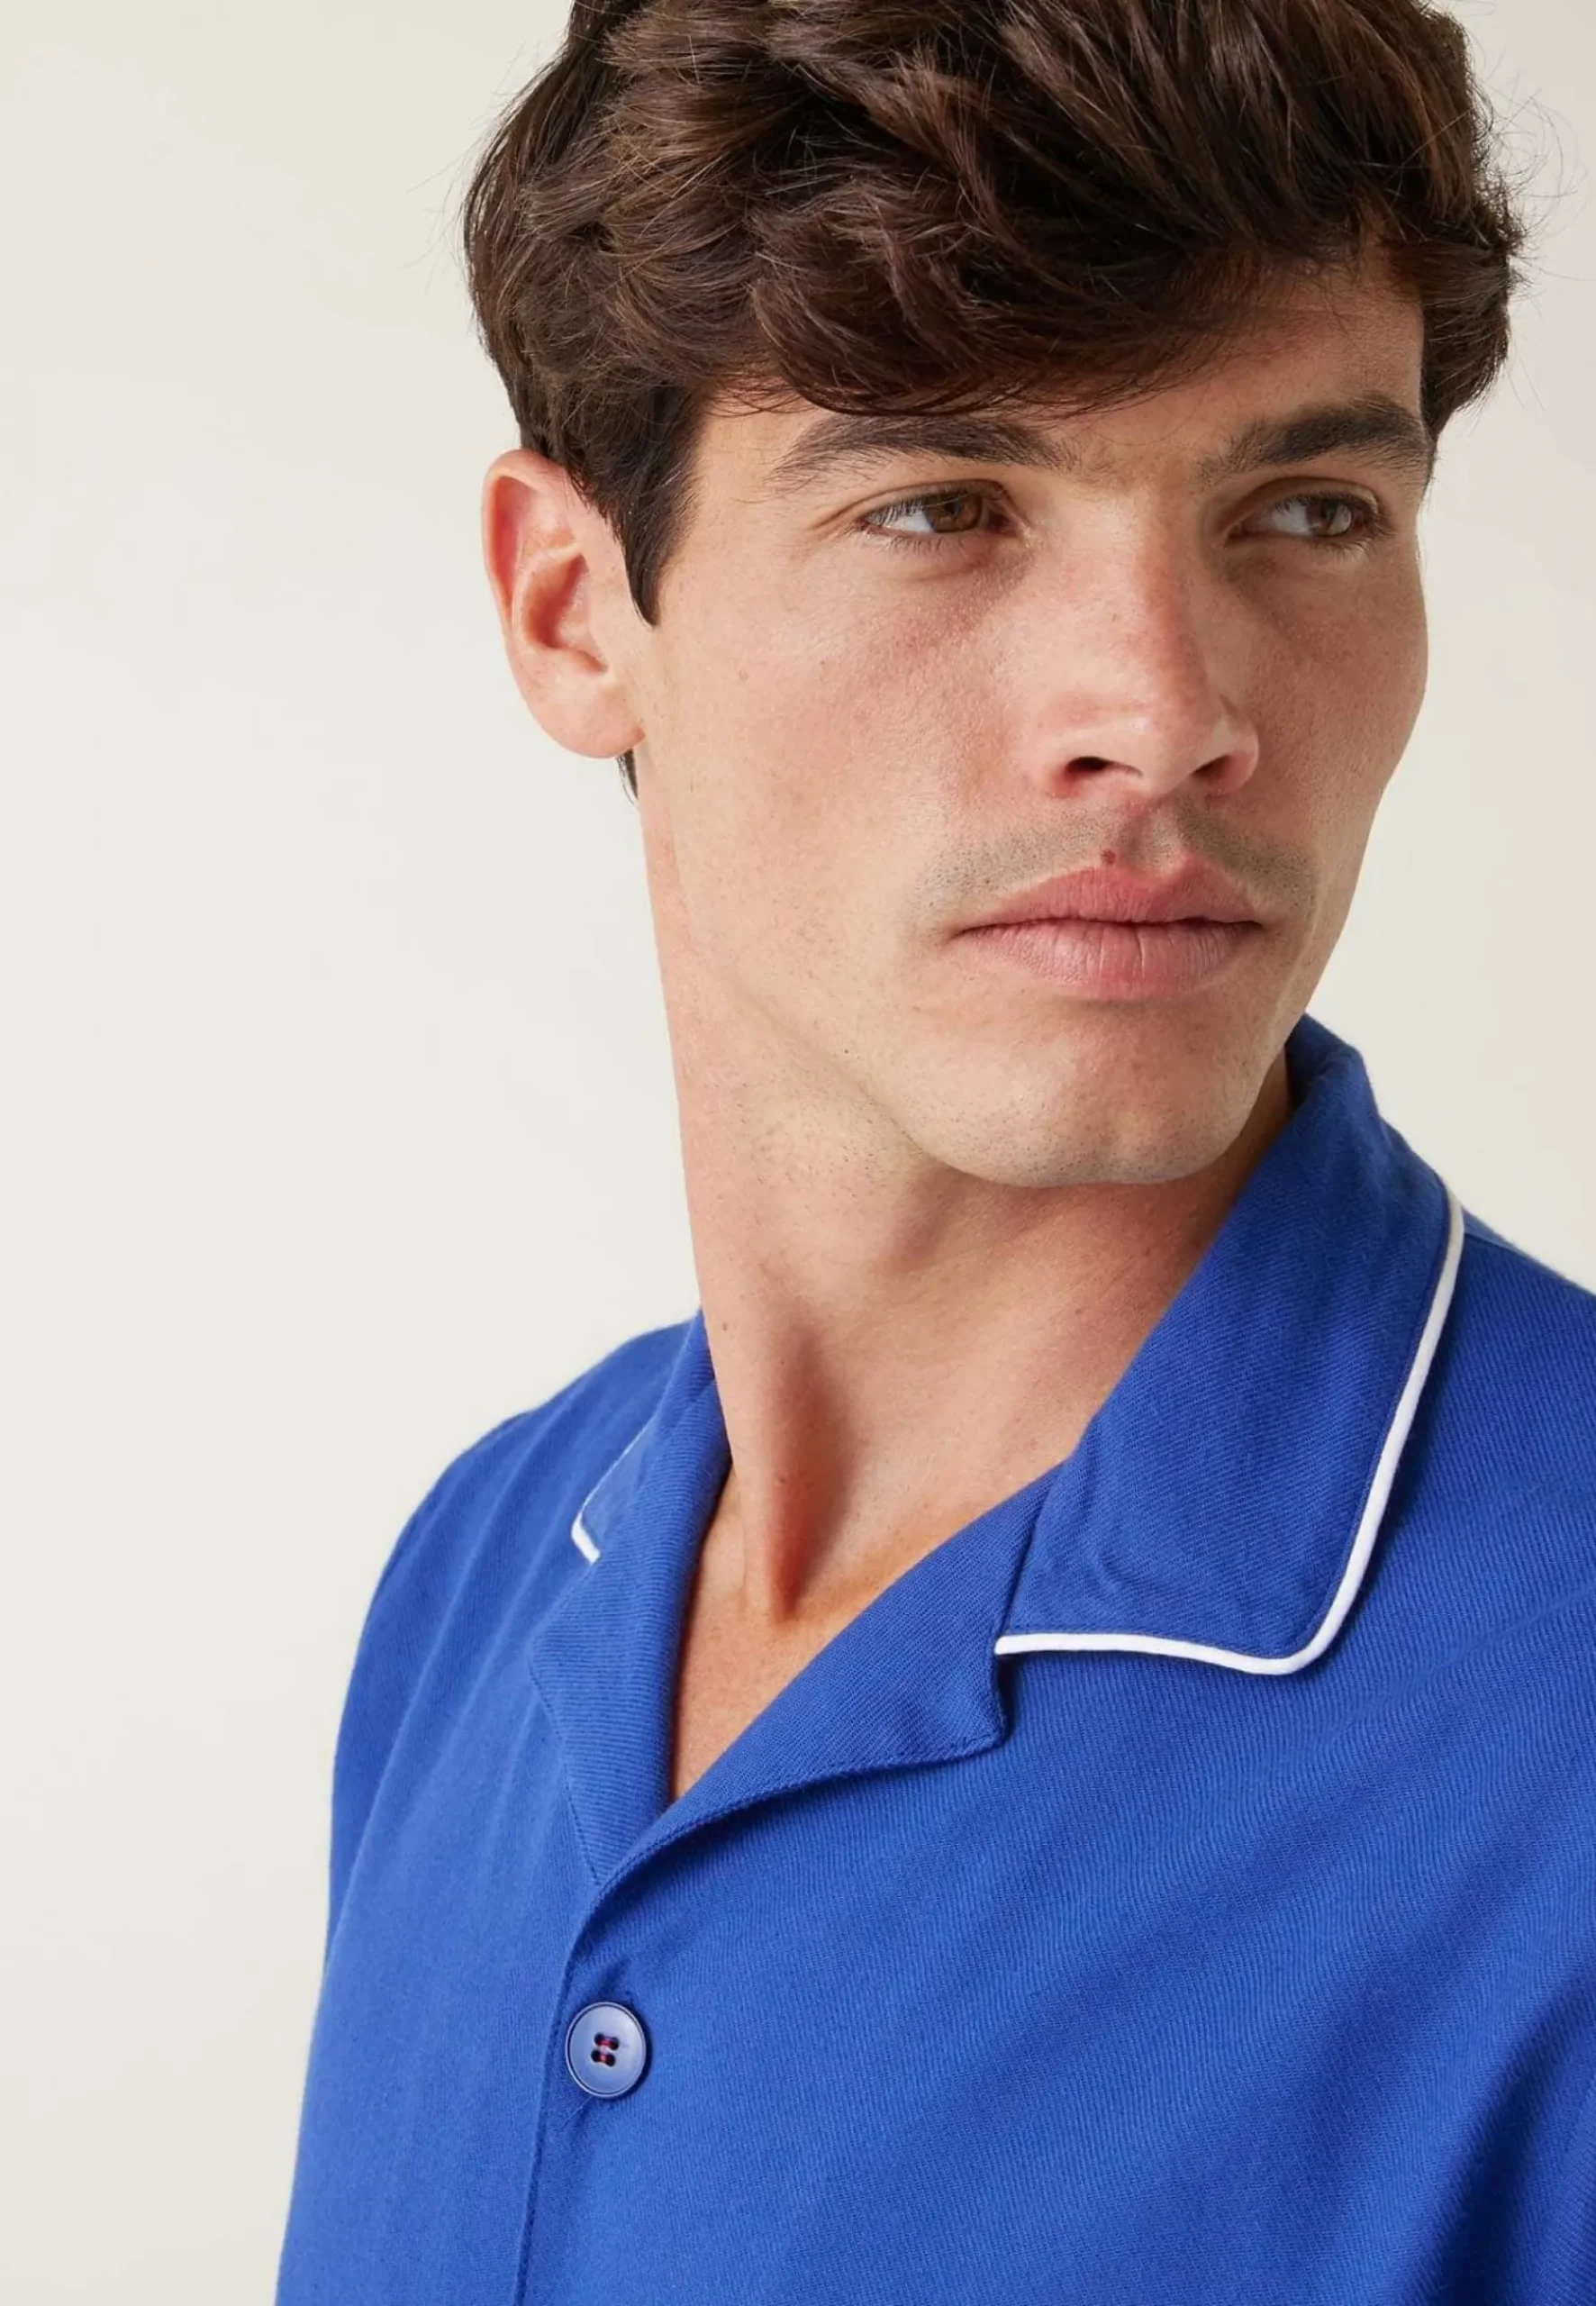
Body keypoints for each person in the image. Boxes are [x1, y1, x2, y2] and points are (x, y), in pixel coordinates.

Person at [275, 3, 1596, 2299]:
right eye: (940, 508)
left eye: (1305, 511)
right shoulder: (485, 1573)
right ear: (575, 610)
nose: (1163, 713)